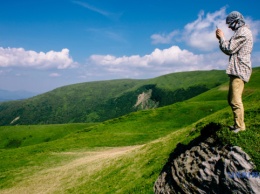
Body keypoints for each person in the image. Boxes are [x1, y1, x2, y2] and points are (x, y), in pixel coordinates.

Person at [216, 11, 253, 133]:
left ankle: (240, 127)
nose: (229, 27)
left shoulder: (243, 32)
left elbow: (229, 48)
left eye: (231, 24)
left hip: (239, 70)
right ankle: (238, 124)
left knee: (235, 100)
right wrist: (221, 39)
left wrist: (221, 37)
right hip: (237, 70)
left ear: (237, 21)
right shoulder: (241, 32)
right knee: (231, 99)